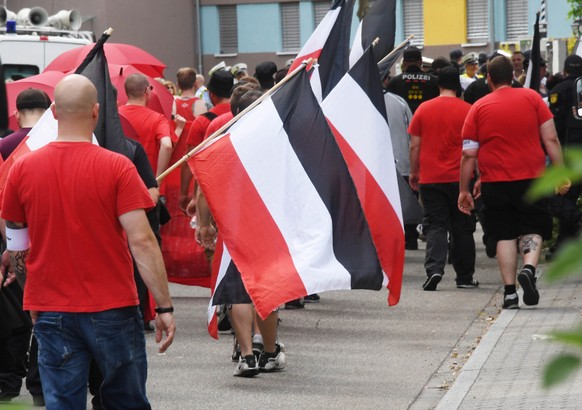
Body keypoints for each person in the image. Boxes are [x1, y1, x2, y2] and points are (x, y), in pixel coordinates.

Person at [0, 74, 176, 409]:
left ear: (53, 112)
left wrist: (33, 298)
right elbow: (142, 241)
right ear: (96, 111)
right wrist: (164, 305)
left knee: (62, 402)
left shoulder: (22, 169)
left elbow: (16, 247)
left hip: (51, 307)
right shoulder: (118, 167)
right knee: (125, 401)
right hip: (113, 306)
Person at [458, 56, 568, 309]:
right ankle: (528, 270)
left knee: (504, 235)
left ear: (489, 79)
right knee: (532, 228)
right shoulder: (533, 99)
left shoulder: (478, 108)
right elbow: (551, 139)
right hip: (532, 178)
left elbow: (468, 154)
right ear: (513, 76)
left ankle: (509, 293)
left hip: (495, 182)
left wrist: (464, 189)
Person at [196, 89, 285, 377]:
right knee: (267, 291)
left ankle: (247, 355)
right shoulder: (278, 143)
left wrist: (204, 223)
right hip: (268, 226)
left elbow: (204, 189)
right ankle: (269, 352)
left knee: (238, 293)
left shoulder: (222, 142)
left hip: (233, 227)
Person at [0, 88, 50, 407]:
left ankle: (6, 382)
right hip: (49, 245)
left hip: (9, 243)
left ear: (17, 114)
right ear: (48, 113)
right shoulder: (52, 145)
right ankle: (40, 386)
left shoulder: (3, 147)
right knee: (45, 318)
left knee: (12, 318)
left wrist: (7, 246)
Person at [408, 67, 477, 291]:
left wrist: (414, 171)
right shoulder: (469, 110)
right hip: (461, 178)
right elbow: (475, 148)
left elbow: (415, 144)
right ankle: (465, 277)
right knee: (462, 226)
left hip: (431, 177)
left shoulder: (423, 109)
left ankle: (434, 270)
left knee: (436, 225)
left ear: (438, 85)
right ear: (457, 85)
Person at [180, 70, 234, 213]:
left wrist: (184, 193)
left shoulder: (201, 121)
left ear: (211, 94)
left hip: (210, 188)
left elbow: (190, 160)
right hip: (238, 184)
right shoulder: (245, 114)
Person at [547, 54, 582, 256]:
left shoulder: (559, 90)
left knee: (559, 197)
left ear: (565, 70)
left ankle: (576, 226)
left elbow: (554, 128)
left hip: (569, 154)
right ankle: (564, 245)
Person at [118, 73, 176, 178]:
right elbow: (167, 145)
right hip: (147, 180)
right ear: (146, 91)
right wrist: (158, 178)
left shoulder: (115, 116)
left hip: (121, 177)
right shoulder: (158, 118)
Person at [387, 46, 439, 115]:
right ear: (421, 62)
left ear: (404, 63)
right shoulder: (434, 81)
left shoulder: (395, 81)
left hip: (405, 122)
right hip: (428, 121)